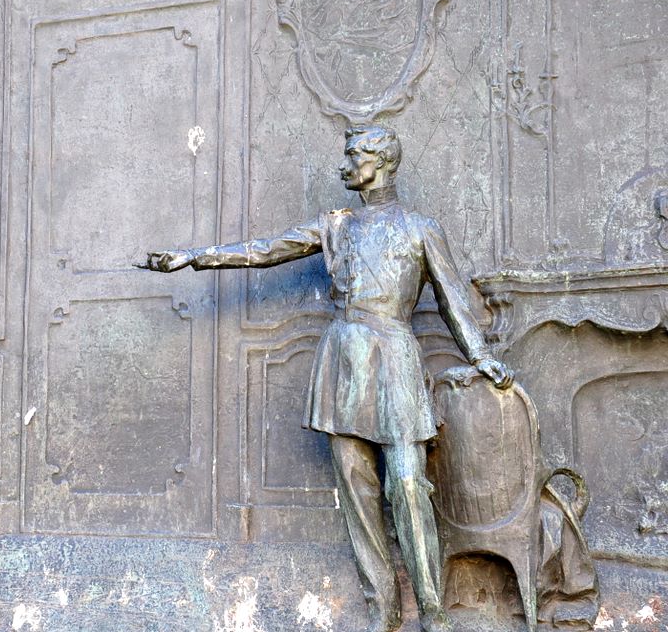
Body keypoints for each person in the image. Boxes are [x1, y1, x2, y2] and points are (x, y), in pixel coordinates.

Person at [140, 125, 513, 632]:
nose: (344, 165)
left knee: (406, 485)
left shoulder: (421, 228)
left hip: (395, 358)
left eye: (352, 154)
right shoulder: (335, 226)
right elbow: (269, 249)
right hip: (344, 358)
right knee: (356, 491)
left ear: (379, 161)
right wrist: (196, 258)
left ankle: (432, 610)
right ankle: (382, 607)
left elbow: (452, 300)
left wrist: (481, 355)